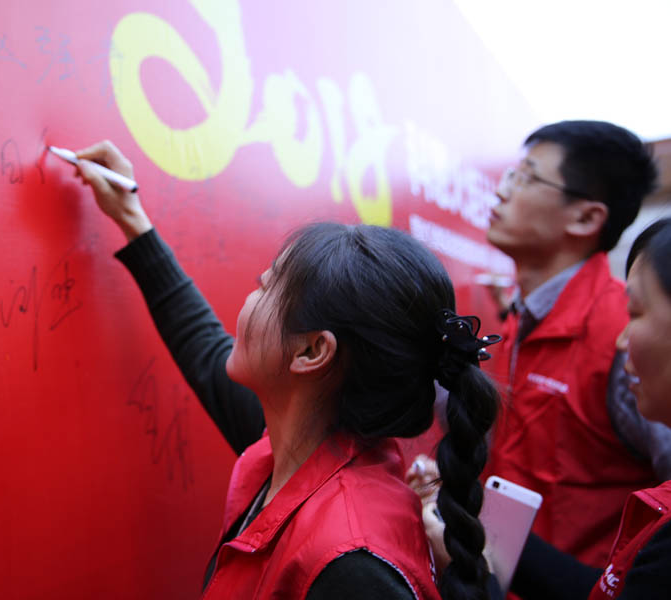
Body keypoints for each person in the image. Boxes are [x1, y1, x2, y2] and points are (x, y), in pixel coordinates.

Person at [72, 140, 501, 599]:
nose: (248, 299)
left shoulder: (353, 568)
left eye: (265, 287)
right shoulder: (299, 447)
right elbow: (203, 347)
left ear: (312, 351)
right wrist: (131, 217)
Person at [416, 218, 671, 599]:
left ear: (586, 216)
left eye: (634, 312)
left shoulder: (602, 338)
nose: (622, 341)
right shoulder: (519, 322)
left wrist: (476, 572)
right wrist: (471, 518)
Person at [480, 120, 663, 567]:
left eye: (526, 179)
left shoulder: (627, 336)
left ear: (585, 218)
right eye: (510, 175)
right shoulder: (518, 318)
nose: (501, 192)